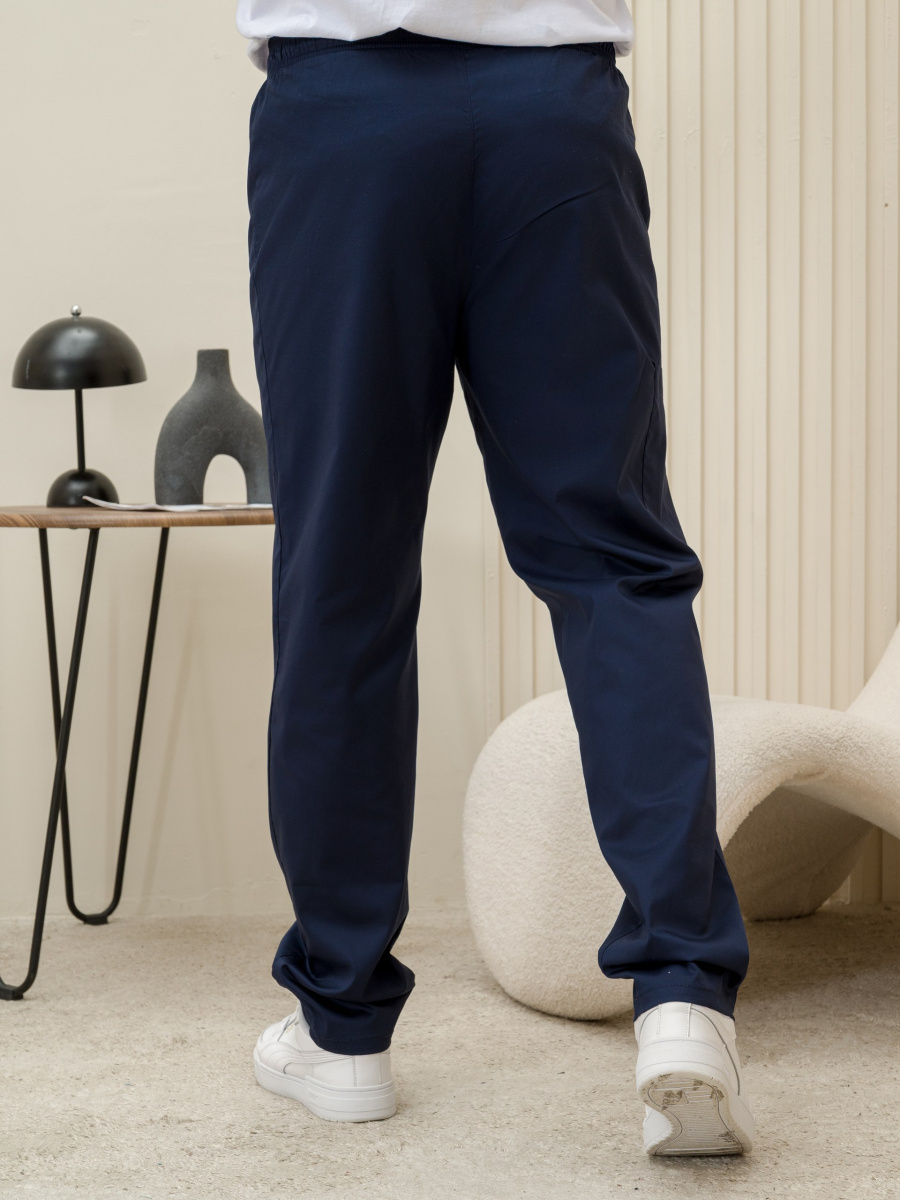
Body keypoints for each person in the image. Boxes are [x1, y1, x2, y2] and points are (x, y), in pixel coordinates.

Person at [240, 0, 755, 1157]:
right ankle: (683, 1001)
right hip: (553, 111)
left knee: (342, 573)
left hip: (345, 115)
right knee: (615, 566)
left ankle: (341, 1027)